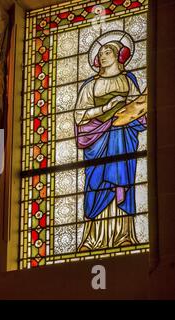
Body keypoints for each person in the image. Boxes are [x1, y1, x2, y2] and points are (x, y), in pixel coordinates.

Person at [74, 31, 147, 251]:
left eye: (108, 51)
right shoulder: (89, 85)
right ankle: (92, 237)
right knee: (95, 184)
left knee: (123, 181)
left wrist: (128, 112)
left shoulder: (128, 80)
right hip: (97, 140)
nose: (103, 55)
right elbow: (79, 115)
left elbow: (140, 110)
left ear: (119, 56)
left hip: (122, 139)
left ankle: (124, 233)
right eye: (101, 52)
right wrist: (105, 108)